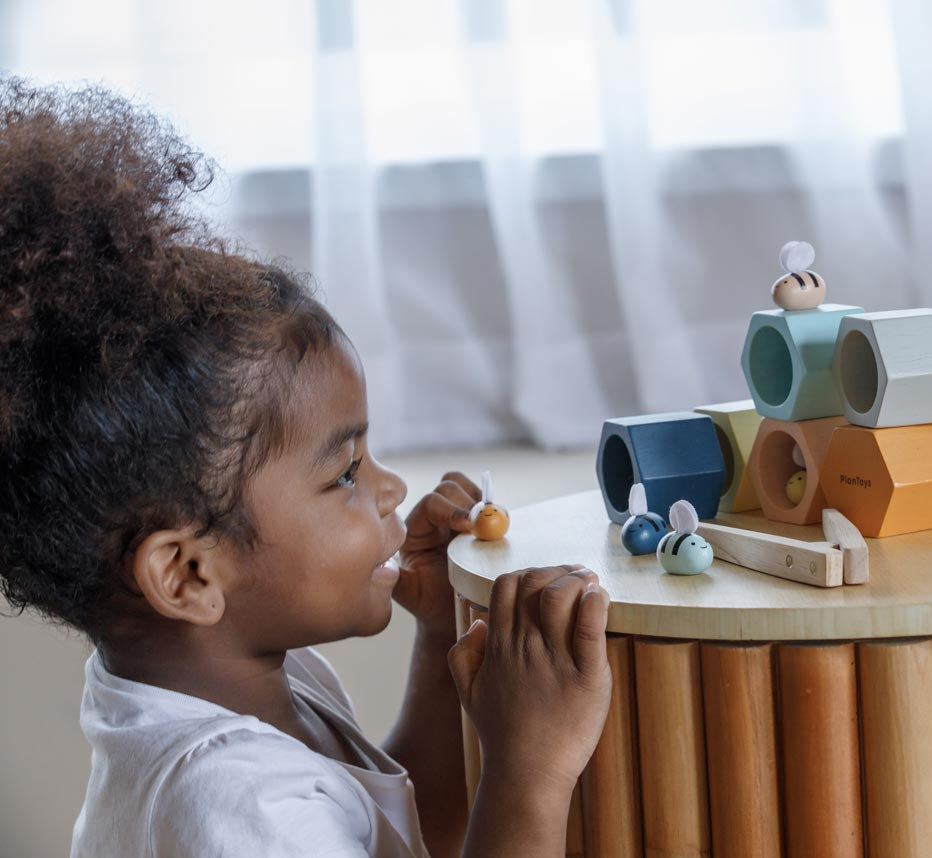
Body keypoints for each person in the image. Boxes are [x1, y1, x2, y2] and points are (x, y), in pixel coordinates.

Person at [0, 77, 613, 857]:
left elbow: (407, 827)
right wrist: (532, 768)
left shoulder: (246, 689)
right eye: (345, 474)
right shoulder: (238, 809)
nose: (389, 488)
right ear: (188, 574)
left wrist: (436, 641)